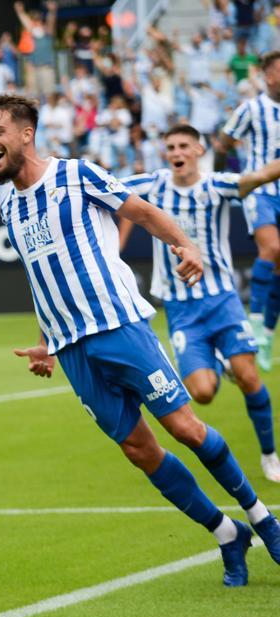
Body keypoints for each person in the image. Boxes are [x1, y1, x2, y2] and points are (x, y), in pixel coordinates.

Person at [0, 94, 280, 587]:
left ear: (25, 133)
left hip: (119, 326)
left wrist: (186, 245)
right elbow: (40, 277)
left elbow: (141, 213)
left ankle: (263, 518)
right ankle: (228, 533)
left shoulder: (77, 174)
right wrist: (44, 341)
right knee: (139, 450)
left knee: (185, 428)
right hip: (73, 349)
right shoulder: (8, 202)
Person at [119, 124, 280, 483]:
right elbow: (107, 188)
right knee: (203, 394)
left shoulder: (215, 185)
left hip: (222, 299)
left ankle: (270, 454)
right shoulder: (152, 185)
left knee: (250, 375)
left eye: (183, 146)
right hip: (181, 308)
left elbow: (258, 176)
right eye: (170, 146)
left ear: (198, 150)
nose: (176, 152)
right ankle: (221, 363)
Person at [217, 50, 280, 369]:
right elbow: (223, 143)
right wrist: (216, 182)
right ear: (268, 75)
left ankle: (266, 333)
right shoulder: (252, 109)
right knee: (272, 248)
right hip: (260, 190)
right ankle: (254, 323)